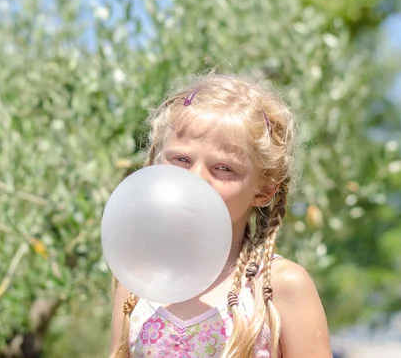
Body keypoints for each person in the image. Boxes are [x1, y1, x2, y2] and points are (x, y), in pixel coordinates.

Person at [109, 73, 332, 358]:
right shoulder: (137, 280)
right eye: (181, 160)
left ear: (263, 190)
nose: (197, 179)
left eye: (224, 168)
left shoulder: (278, 286)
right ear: (156, 163)